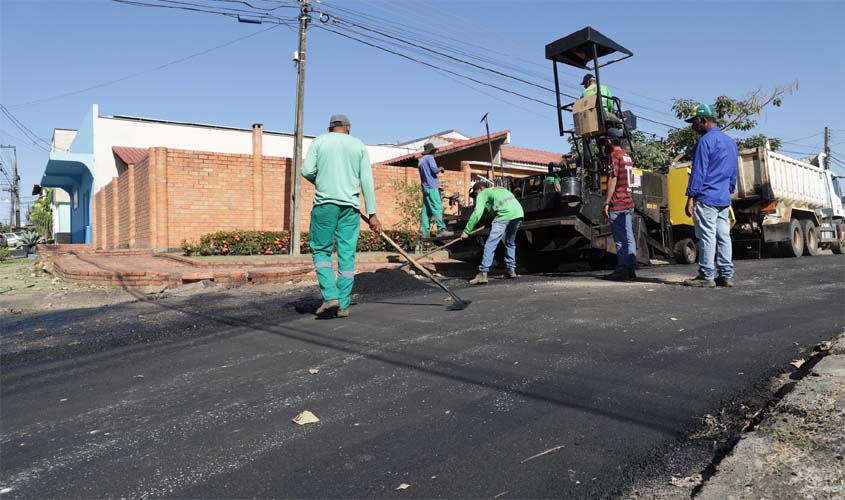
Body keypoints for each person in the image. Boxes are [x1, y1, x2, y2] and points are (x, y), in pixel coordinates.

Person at [301, 114, 382, 319]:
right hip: (350, 208)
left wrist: (321, 181)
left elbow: (306, 170)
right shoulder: (359, 145)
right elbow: (366, 181)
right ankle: (343, 304)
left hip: (325, 204)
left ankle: (330, 296)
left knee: (321, 250)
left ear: (329, 128)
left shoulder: (320, 141)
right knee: (347, 254)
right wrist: (372, 214)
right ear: (349, 128)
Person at [682, 104, 738, 288]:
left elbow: (698, 172)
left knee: (707, 236)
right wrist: (727, 190)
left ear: (704, 120)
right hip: (723, 198)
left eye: (694, 122)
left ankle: (706, 276)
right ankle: (726, 275)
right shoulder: (730, 142)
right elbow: (733, 173)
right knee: (724, 236)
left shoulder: (705, 142)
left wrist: (691, 196)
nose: (693, 126)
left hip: (706, 197)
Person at [460, 182, 525, 284]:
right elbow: (497, 207)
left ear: (481, 188)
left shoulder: (483, 193)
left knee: (490, 244)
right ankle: (511, 270)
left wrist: (466, 231)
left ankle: (483, 273)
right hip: (518, 214)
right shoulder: (500, 189)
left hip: (504, 216)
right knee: (510, 242)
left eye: (476, 194)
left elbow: (477, 213)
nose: (477, 197)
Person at [602, 128, 637, 280]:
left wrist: (607, 202)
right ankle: (631, 269)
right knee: (629, 236)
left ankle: (622, 269)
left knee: (620, 238)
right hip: (629, 201)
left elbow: (612, 178)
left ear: (610, 141)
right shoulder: (627, 156)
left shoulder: (614, 156)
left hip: (618, 202)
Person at [418, 142, 453, 239]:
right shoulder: (430, 158)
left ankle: (425, 233)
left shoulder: (421, 161)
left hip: (425, 189)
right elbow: (434, 170)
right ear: (431, 151)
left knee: (426, 211)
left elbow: (426, 176)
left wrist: (435, 187)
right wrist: (440, 168)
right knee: (438, 208)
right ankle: (441, 230)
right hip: (431, 188)